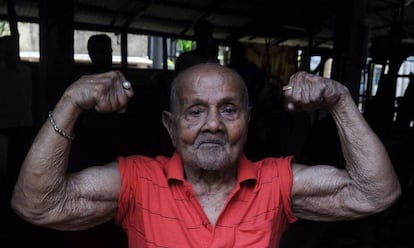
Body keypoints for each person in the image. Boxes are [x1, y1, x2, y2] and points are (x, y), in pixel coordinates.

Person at [11, 63, 401, 247]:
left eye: (229, 110)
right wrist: (69, 104)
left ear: (247, 121)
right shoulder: (137, 182)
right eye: (195, 111)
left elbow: (376, 193)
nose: (213, 124)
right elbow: (37, 205)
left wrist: (340, 102)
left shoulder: (276, 182)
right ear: (170, 124)